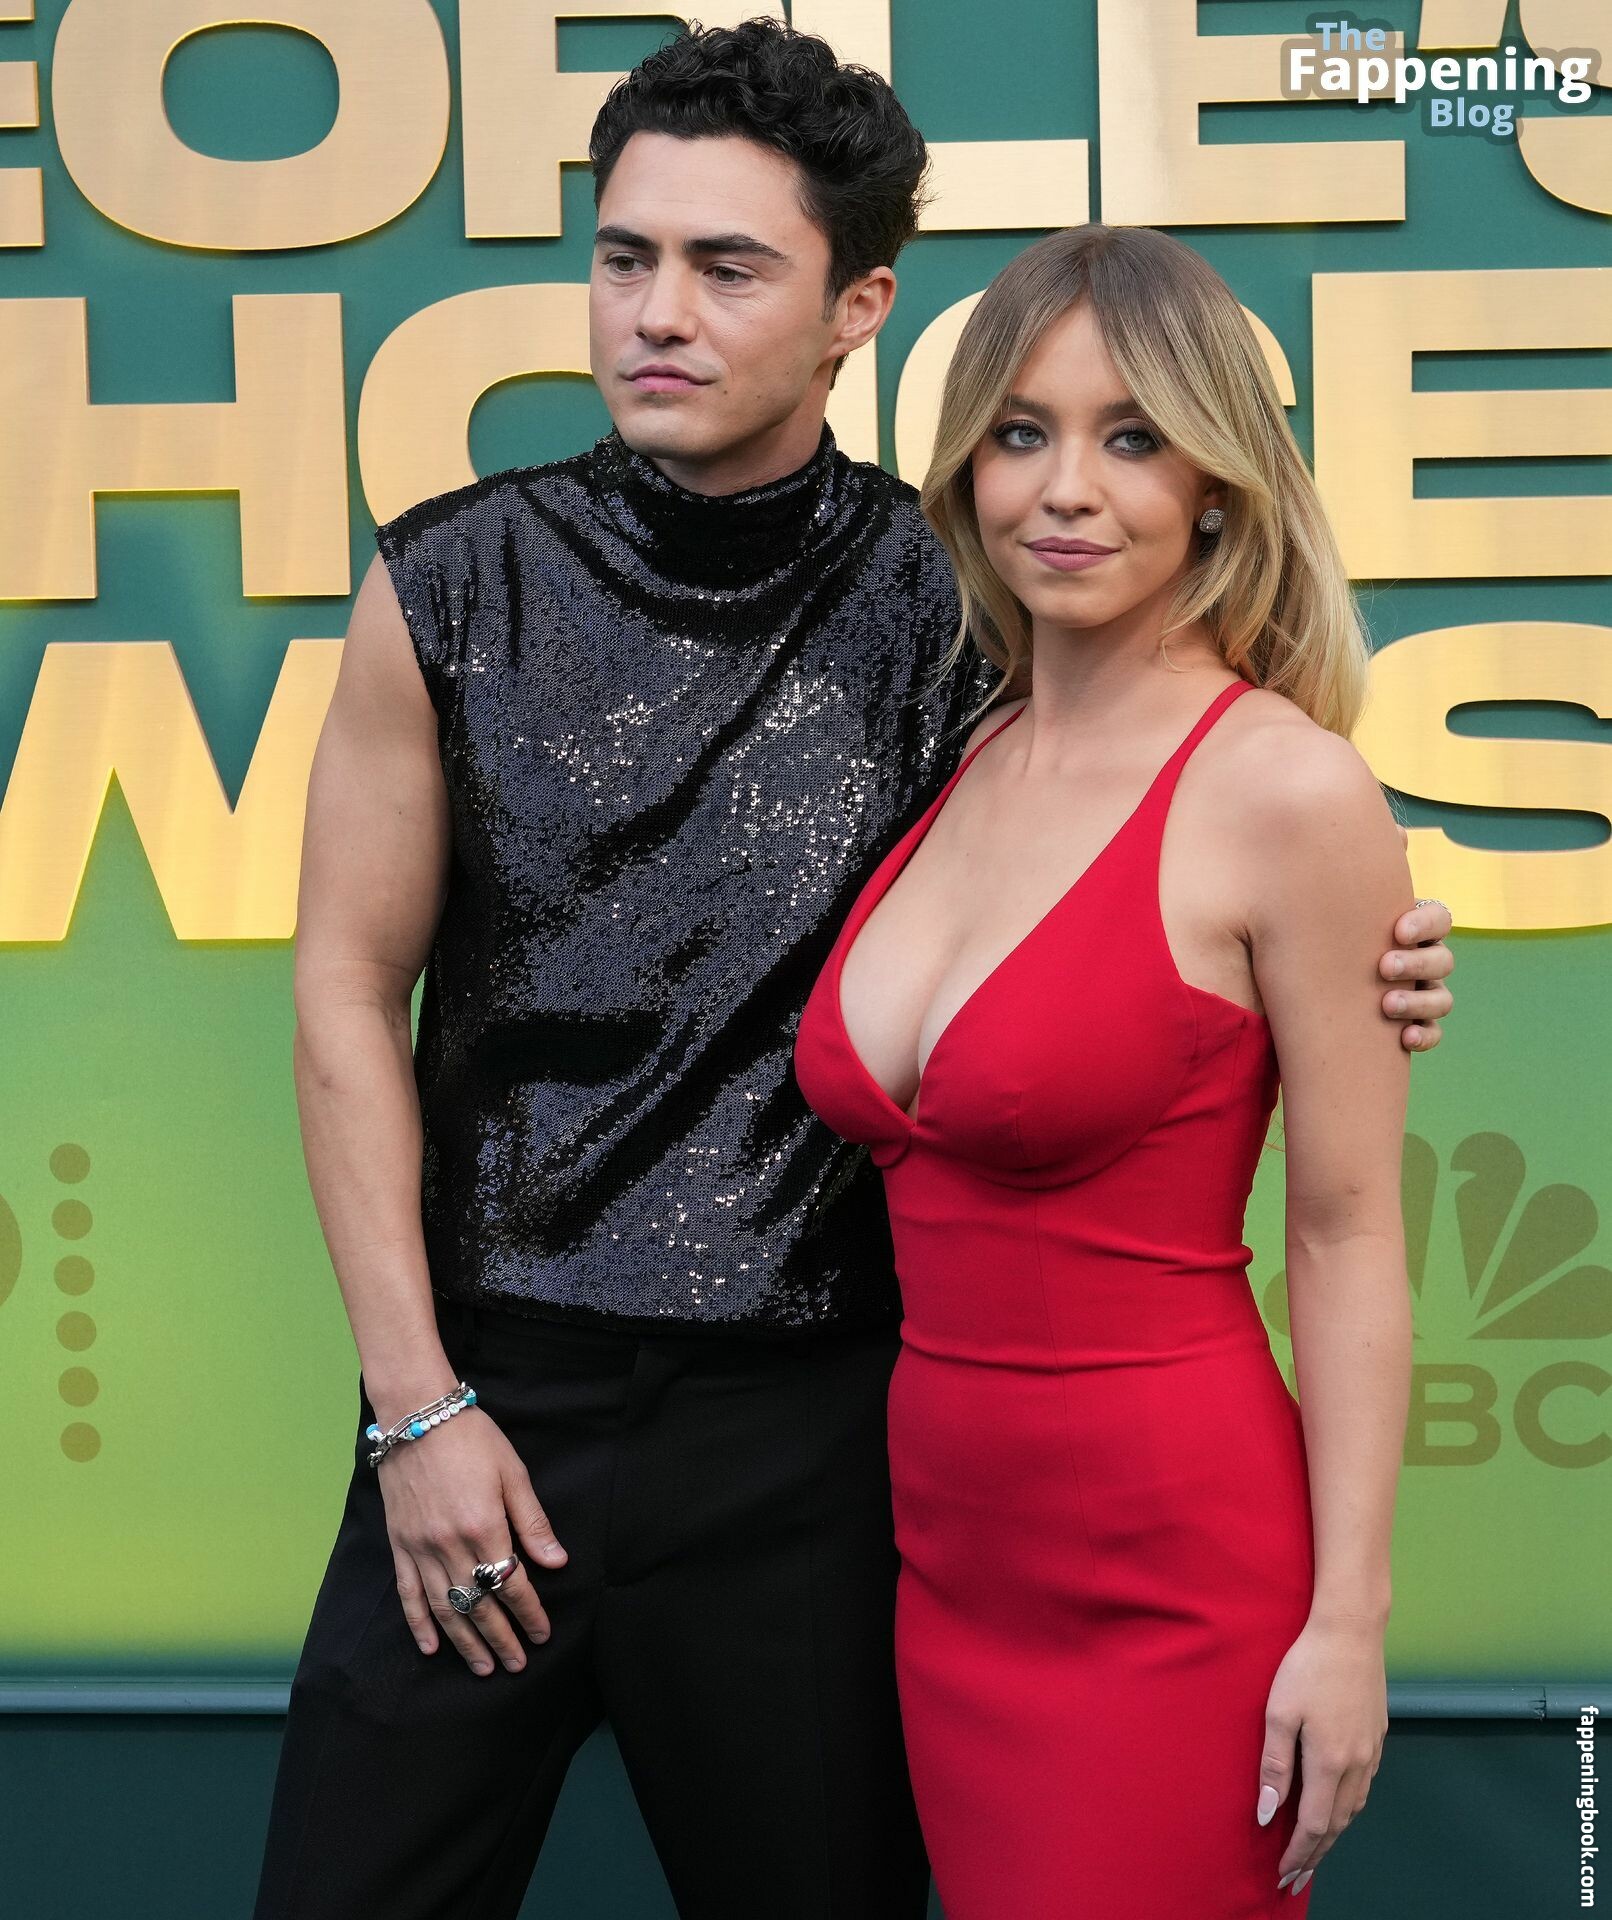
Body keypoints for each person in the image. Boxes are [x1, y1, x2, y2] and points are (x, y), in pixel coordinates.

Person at [252, 22, 1454, 1920]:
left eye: (728, 267)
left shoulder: (963, 603)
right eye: (626, 256)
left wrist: (1383, 947)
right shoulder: (447, 584)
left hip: (822, 1439)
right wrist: (415, 1405)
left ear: (855, 309)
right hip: (483, 1400)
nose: (659, 312)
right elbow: (342, 991)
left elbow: (1169, 821)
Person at [794, 222, 1418, 1918]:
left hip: (1174, 1576)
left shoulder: (1286, 792)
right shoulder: (967, 744)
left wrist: (1349, 1622)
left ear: (1218, 483)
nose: (1067, 489)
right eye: (1022, 432)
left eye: (1133, 437)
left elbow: (1348, 1233)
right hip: (946, 1565)